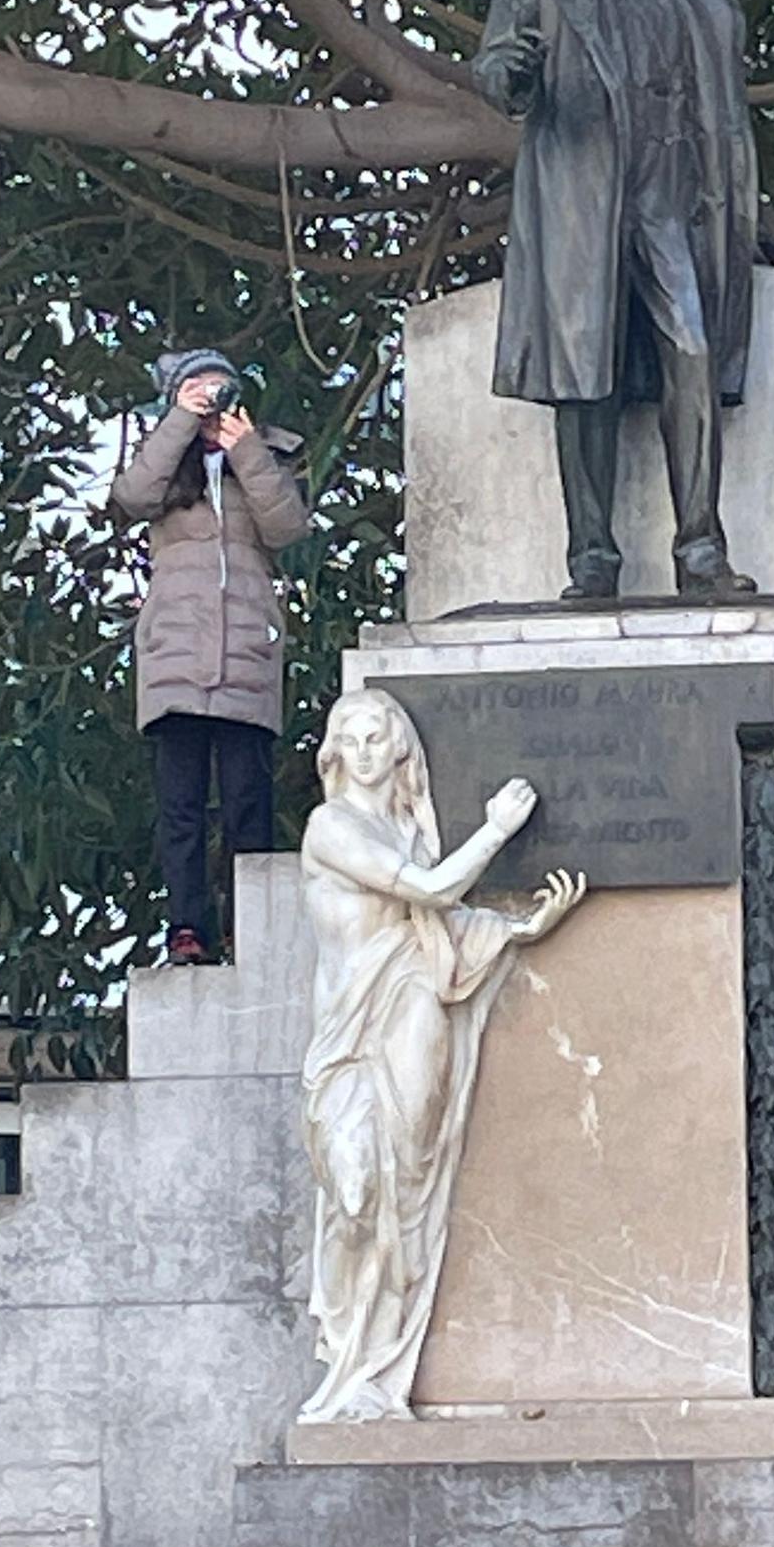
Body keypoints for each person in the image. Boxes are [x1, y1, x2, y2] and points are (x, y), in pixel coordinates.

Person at [473, 0, 759, 602]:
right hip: (582, 183)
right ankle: (591, 555)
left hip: (675, 185)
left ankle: (700, 548)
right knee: (583, 367)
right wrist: (515, 72)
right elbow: (495, 66)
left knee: (693, 357)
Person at [297, 688, 584, 1422]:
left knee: (409, 1184)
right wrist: (495, 830)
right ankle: (348, 1356)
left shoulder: (409, 829)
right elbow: (429, 889)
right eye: (350, 739)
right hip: (349, 1037)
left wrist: (518, 927)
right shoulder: (330, 827)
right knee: (356, 1189)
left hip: (416, 1010)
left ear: (398, 749)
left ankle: (380, 1369)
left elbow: (441, 924)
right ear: (335, 752)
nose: (363, 753)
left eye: (375, 738)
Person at [110, 347, 310, 963]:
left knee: (250, 803)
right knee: (182, 807)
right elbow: (132, 497)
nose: (210, 397)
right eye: (196, 387)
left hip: (247, 653)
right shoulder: (163, 459)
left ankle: (250, 931)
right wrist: (178, 422)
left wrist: (246, 447)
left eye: (218, 386)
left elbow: (288, 529)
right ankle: (187, 929)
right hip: (175, 655)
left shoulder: (268, 453)